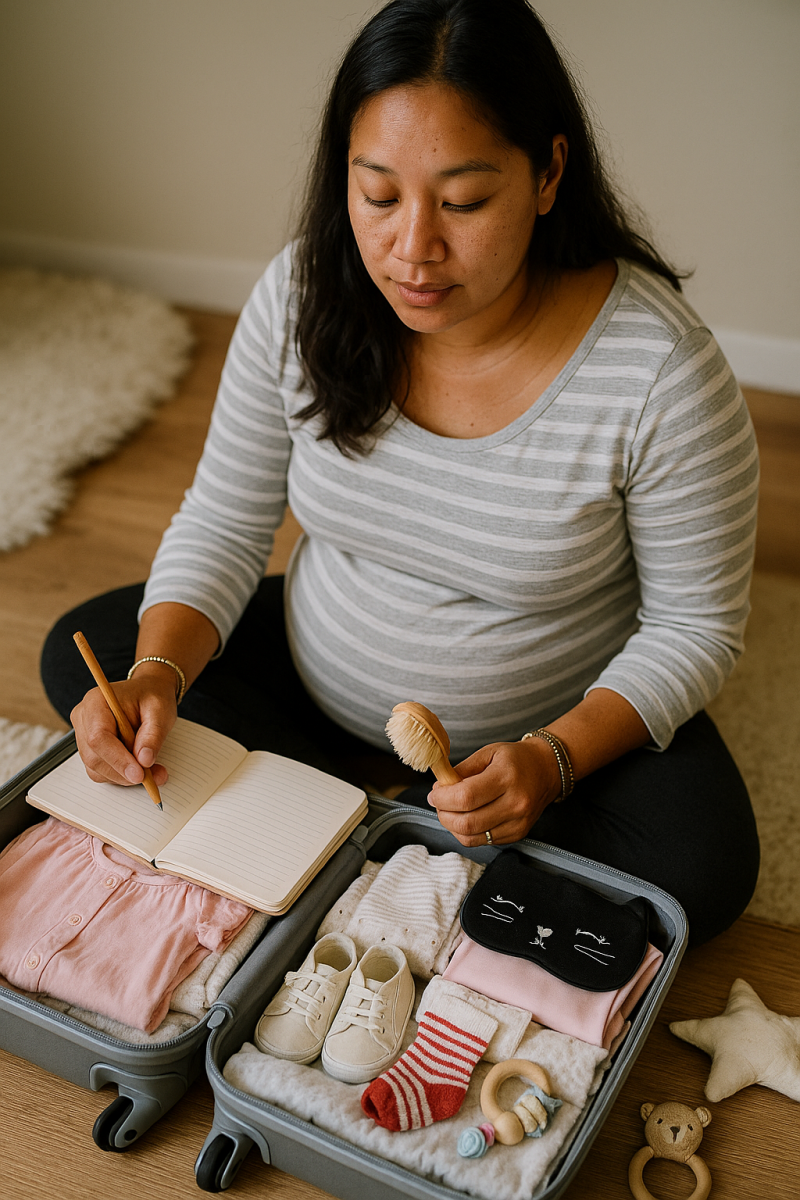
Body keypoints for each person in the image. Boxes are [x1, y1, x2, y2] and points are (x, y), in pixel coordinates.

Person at [42, 0, 760, 946]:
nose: (412, 247)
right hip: (319, 675)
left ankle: (331, 824)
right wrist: (156, 674)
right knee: (92, 653)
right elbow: (223, 519)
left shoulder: (657, 369)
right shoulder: (304, 293)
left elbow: (696, 626)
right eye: (377, 194)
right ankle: (392, 834)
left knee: (706, 866)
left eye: (463, 201)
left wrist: (551, 759)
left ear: (548, 173)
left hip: (546, 727)